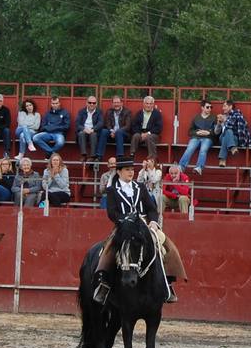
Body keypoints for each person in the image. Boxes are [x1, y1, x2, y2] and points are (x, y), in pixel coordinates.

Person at [92, 157, 187, 304]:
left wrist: (154, 222)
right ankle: (104, 283)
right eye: (127, 170)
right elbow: (112, 212)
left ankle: (168, 283)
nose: (131, 172)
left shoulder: (140, 187)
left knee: (166, 245)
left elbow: (151, 208)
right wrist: (125, 222)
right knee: (109, 246)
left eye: (132, 170)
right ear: (119, 172)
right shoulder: (112, 190)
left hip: (144, 224)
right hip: (123, 225)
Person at [180, 100, 216, 174]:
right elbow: (190, 131)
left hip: (208, 138)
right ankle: (181, 167)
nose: (209, 109)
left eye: (211, 107)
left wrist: (208, 132)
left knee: (203, 149)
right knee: (190, 148)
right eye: (207, 107)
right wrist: (197, 132)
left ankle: (199, 167)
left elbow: (216, 132)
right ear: (202, 107)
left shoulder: (214, 118)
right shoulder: (196, 117)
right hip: (196, 137)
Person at [215, 98, 251, 166]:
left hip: (235, 139)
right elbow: (216, 132)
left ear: (230, 106)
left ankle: (222, 159)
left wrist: (225, 120)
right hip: (222, 138)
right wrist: (218, 123)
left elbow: (231, 125)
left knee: (228, 131)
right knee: (227, 132)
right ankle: (232, 148)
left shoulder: (237, 114)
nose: (223, 108)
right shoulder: (222, 117)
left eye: (224, 106)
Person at [74, 96, 104, 160]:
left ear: (96, 104)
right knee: (81, 133)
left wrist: (93, 129)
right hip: (84, 131)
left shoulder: (99, 112)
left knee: (93, 134)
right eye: (90, 102)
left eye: (94, 103)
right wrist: (84, 129)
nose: (92, 104)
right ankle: (84, 155)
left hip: (93, 131)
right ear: (86, 103)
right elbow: (77, 123)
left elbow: (100, 123)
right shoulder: (81, 111)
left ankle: (92, 156)